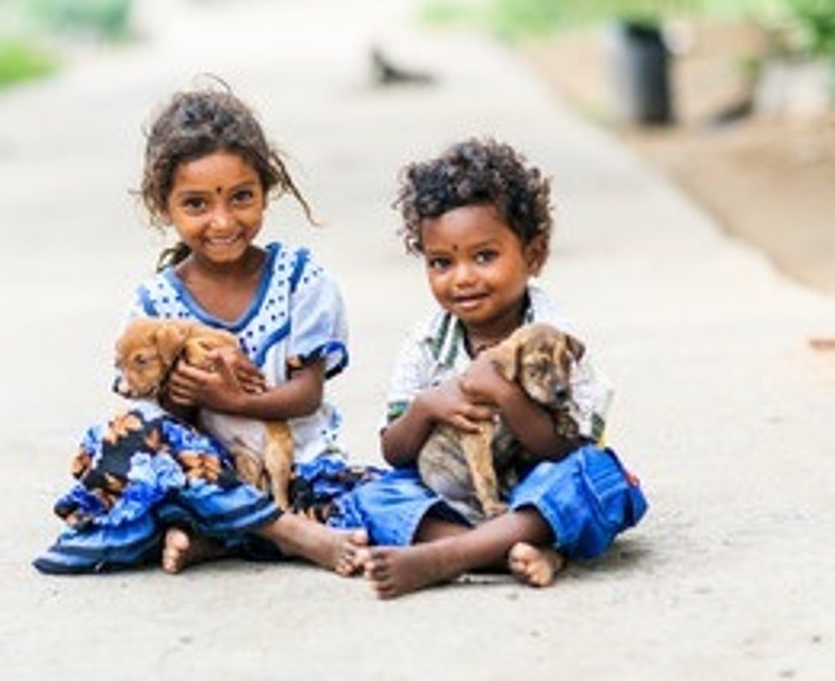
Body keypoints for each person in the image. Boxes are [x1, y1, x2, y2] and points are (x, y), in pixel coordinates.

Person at [33, 79, 375, 576]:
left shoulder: (302, 278)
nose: (221, 221)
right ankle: (285, 532)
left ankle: (222, 536)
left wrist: (235, 401)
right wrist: (188, 394)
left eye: (241, 197)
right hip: (208, 475)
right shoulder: (152, 305)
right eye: (196, 204)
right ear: (162, 206)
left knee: (384, 500)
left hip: (295, 467)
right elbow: (157, 411)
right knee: (122, 437)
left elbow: (306, 394)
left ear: (266, 190)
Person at [335, 137, 647, 599]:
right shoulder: (425, 344)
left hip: (536, 496)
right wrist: (426, 407)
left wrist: (504, 393)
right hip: (458, 498)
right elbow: (395, 453)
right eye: (441, 262)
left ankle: (447, 557)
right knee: (370, 497)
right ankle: (517, 553)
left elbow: (562, 450)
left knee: (602, 479)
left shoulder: (557, 340)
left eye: (484, 256)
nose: (462, 277)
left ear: (534, 255)